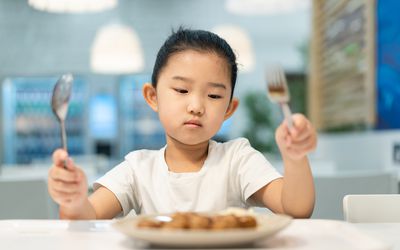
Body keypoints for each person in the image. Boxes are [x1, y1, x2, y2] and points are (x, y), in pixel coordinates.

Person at [48, 28, 317, 220]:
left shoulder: (237, 159)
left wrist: (295, 158)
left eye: (213, 95)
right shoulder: (138, 168)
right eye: (181, 90)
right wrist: (73, 200)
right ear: (152, 97)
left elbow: (295, 209)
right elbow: (87, 217)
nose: (196, 106)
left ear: (229, 109)